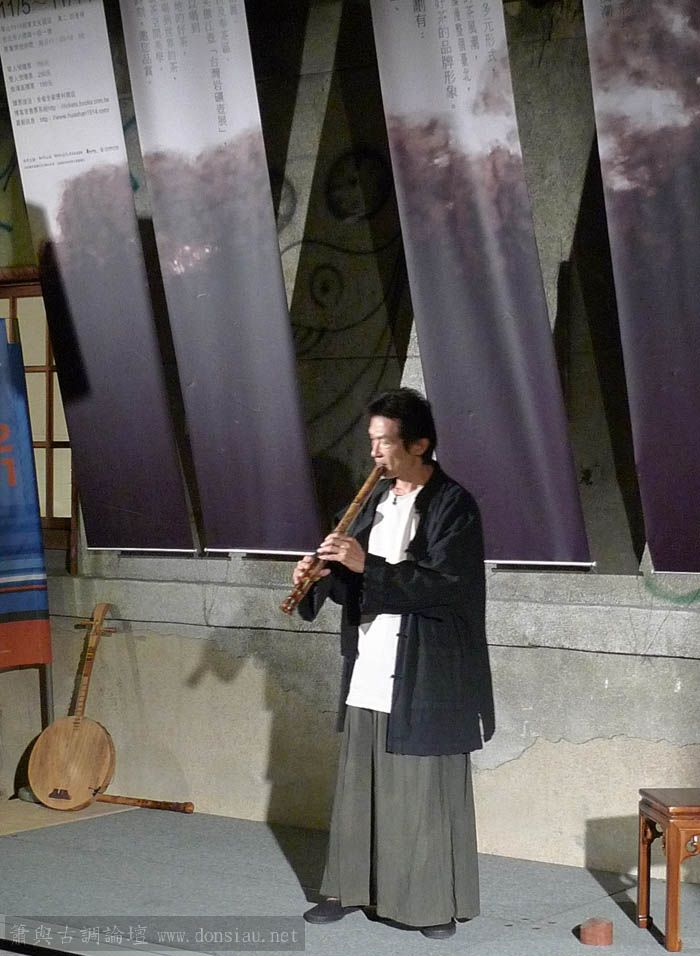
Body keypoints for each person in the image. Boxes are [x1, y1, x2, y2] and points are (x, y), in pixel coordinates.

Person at [293, 387, 494, 939]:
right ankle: (346, 889)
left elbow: (447, 586)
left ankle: (430, 904)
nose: (374, 453)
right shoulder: (372, 503)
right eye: (372, 441)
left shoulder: (454, 505)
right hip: (371, 658)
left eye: (385, 442)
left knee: (421, 791)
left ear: (419, 444)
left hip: (428, 667)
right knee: (360, 782)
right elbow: (354, 585)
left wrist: (367, 564)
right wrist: (319, 578)